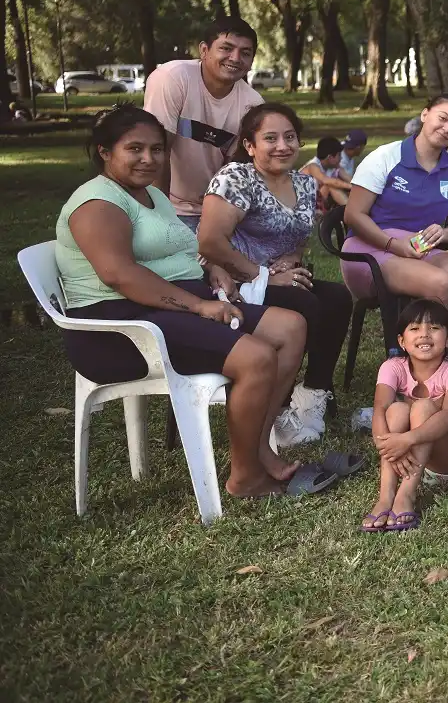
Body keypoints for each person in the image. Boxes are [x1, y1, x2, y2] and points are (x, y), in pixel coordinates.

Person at [55, 104, 333, 499]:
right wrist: (199, 305)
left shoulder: (151, 194)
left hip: (164, 305)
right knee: (255, 357)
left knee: (291, 326)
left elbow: (182, 250)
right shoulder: (97, 203)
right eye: (134, 149)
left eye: (156, 149)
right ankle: (245, 477)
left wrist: (210, 268)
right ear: (104, 151)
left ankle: (258, 448)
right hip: (121, 326)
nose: (148, 159)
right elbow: (119, 275)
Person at [198, 102, 353, 446]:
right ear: (250, 145)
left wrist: (289, 261)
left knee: (338, 298)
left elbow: (297, 240)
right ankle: (279, 405)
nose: (282, 145)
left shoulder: (304, 183)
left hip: (275, 276)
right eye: (270, 138)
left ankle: (313, 393)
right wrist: (263, 276)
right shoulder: (236, 178)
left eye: (290, 137)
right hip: (231, 282)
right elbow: (209, 242)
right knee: (306, 304)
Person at [342, 93, 448, 335]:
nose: (447, 129)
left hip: (419, 248)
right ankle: (432, 359)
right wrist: (394, 244)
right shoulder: (385, 156)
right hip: (370, 249)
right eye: (442, 118)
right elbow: (353, 215)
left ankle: (436, 354)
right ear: (425, 115)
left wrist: (444, 233)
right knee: (442, 283)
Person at [361, 299, 448, 532]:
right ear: (402, 341)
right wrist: (391, 446)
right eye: (414, 329)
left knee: (423, 407)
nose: (424, 335)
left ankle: (406, 494)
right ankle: (386, 495)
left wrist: (407, 440)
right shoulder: (392, 367)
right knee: (395, 409)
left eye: (434, 328)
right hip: (406, 456)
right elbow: (380, 408)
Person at [144, 16, 263, 231]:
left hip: (212, 211)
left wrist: (219, 215)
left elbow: (237, 170)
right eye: (226, 48)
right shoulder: (172, 78)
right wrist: (161, 218)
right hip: (162, 204)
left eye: (245, 53)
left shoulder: (252, 104)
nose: (235, 58)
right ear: (204, 50)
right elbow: (157, 150)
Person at [303, 136, 354, 209]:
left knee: (344, 188)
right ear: (330, 157)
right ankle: (351, 211)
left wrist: (357, 187)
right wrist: (351, 187)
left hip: (316, 201)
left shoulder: (334, 166)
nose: (341, 158)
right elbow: (326, 181)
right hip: (302, 203)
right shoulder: (313, 166)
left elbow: (349, 179)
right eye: (339, 155)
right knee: (330, 185)